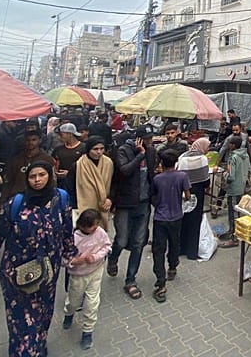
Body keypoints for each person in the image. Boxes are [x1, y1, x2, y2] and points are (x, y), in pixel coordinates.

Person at [0, 161, 76, 357]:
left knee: (43, 316)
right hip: (16, 274)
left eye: (41, 175)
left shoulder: (61, 199)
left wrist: (71, 255)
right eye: (32, 176)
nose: (37, 180)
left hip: (48, 272)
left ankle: (38, 346)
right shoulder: (16, 204)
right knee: (22, 324)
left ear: (50, 176)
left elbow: (67, 231)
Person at [108, 125, 157, 300]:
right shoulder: (123, 150)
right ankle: (113, 258)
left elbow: (151, 174)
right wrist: (140, 154)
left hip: (143, 203)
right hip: (125, 203)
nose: (151, 141)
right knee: (121, 240)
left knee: (138, 243)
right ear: (138, 139)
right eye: (148, 138)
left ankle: (130, 280)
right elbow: (125, 171)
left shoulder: (151, 151)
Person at [62, 208, 112, 351]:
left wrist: (96, 257)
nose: (95, 228)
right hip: (78, 276)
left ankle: (87, 331)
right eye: (92, 226)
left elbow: (107, 247)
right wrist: (75, 261)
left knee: (92, 303)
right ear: (82, 226)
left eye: (97, 224)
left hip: (95, 272)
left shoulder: (100, 233)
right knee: (74, 302)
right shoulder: (73, 238)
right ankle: (69, 313)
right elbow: (63, 258)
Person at [151, 149, 191, 302]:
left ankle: (161, 283)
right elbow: (187, 196)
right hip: (176, 217)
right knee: (175, 244)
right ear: (176, 162)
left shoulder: (157, 179)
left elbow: (153, 197)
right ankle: (172, 267)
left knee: (158, 249)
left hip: (160, 218)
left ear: (161, 163)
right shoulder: (182, 176)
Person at [176, 137, 211, 260]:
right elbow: (206, 181)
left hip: (183, 194)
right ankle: (192, 252)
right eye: (207, 147)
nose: (208, 149)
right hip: (198, 194)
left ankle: (180, 249)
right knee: (195, 222)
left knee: (183, 220)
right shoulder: (203, 159)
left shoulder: (183, 157)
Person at [69, 137, 114, 230]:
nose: (99, 152)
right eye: (95, 149)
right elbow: (71, 187)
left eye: (102, 149)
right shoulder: (78, 165)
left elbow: (115, 182)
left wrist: (110, 198)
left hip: (104, 205)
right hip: (83, 206)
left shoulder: (109, 163)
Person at [0, 130, 54, 205]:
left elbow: (52, 181)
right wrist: (2, 201)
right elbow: (8, 181)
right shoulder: (16, 159)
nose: (30, 142)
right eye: (28, 140)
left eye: (34, 140)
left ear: (40, 141)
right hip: (16, 197)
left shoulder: (47, 159)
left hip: (39, 199)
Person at [219, 135, 249, 248]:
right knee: (238, 211)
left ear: (232, 145)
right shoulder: (245, 155)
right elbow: (249, 169)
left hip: (233, 188)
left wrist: (224, 174)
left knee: (233, 212)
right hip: (241, 186)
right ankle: (232, 231)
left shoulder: (233, 158)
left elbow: (231, 176)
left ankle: (235, 238)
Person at [53, 123, 86, 204]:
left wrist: (70, 173)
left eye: (61, 134)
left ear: (70, 134)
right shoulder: (58, 149)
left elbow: (87, 167)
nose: (60, 137)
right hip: (61, 183)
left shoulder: (84, 148)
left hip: (78, 183)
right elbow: (53, 162)